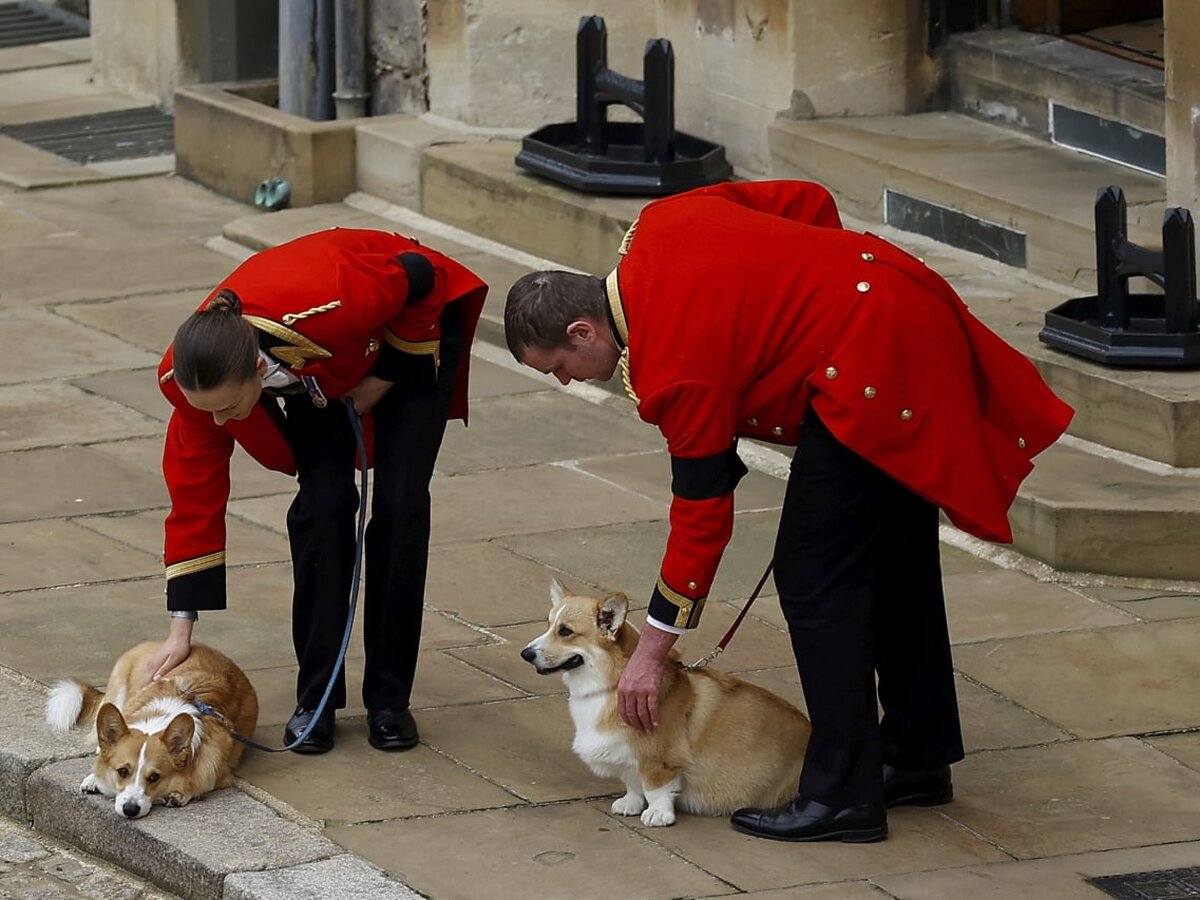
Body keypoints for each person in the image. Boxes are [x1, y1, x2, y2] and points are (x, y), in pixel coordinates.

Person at [503, 179, 1073, 842]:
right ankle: (916, 757)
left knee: (814, 580)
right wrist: (816, 287)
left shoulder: (672, 366)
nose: (570, 380)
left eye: (563, 366)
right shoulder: (659, 223)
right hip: (896, 303)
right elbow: (805, 201)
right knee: (894, 557)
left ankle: (843, 795)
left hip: (868, 368)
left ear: (582, 328)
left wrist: (651, 651)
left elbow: (702, 515)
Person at [147, 227, 488, 754]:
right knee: (321, 508)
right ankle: (317, 700)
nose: (215, 420)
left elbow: (424, 278)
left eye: (226, 407)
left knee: (400, 505)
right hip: (320, 371)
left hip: (406, 333)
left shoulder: (333, 297)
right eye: (207, 407)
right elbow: (193, 497)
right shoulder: (194, 379)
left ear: (258, 369)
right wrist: (180, 628)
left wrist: (384, 378)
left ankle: (390, 701)